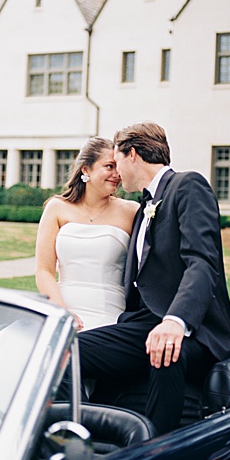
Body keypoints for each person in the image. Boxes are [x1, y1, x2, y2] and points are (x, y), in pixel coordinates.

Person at [74, 122, 230, 435]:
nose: (116, 172)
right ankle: (80, 439)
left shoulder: (187, 186)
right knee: (68, 352)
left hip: (196, 331)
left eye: (117, 160)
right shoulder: (142, 207)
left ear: (132, 154)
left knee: (166, 353)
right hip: (142, 324)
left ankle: (156, 455)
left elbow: (202, 262)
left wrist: (176, 321)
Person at [35, 137, 137, 330]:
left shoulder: (131, 211)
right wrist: (63, 313)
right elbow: (43, 271)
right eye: (109, 166)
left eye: (118, 167)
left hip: (109, 314)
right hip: (63, 308)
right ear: (85, 169)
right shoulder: (56, 208)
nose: (117, 174)